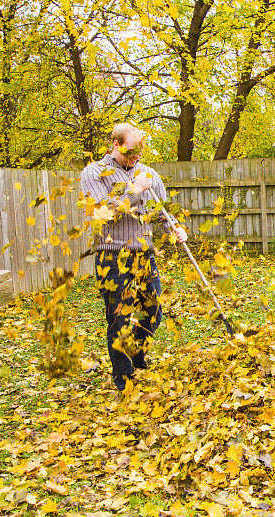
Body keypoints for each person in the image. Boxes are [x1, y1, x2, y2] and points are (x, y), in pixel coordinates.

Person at [80, 123, 188, 390]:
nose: (135, 157)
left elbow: (160, 210)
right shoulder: (94, 172)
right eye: (130, 152)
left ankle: (137, 353)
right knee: (119, 319)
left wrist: (175, 228)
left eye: (139, 152)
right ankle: (123, 378)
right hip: (111, 257)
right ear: (115, 145)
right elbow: (101, 213)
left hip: (143, 255)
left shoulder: (149, 173)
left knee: (154, 311)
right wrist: (133, 190)